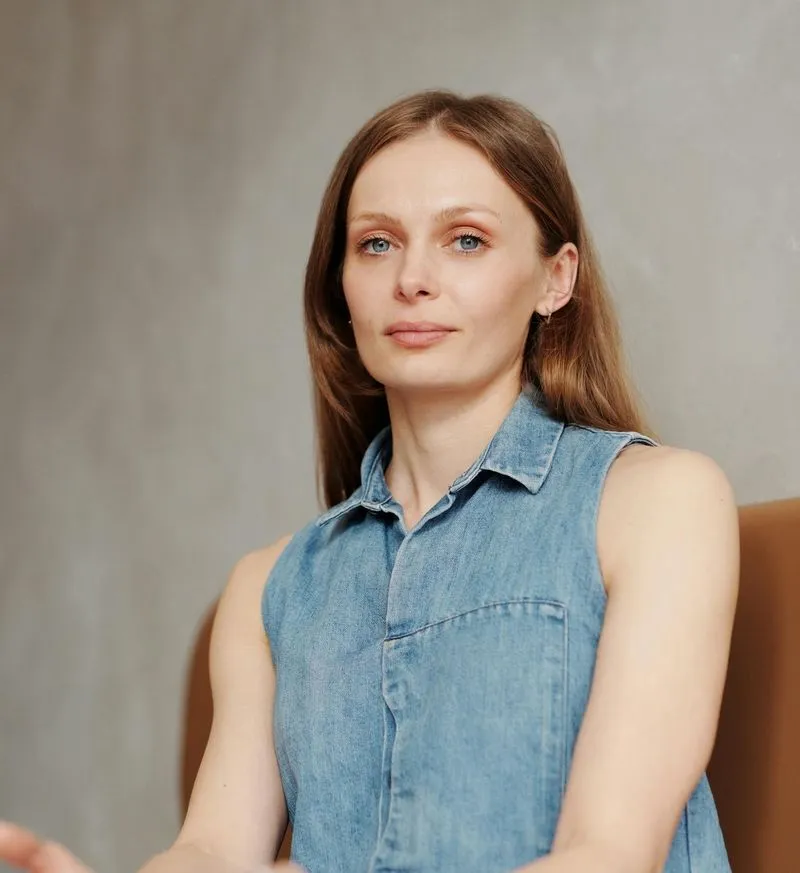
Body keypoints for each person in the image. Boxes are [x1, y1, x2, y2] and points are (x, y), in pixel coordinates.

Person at [0, 89, 739, 873]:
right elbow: (214, 849)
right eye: (377, 244)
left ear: (555, 280)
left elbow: (609, 856)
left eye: (465, 240)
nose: (412, 278)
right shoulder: (267, 588)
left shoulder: (660, 502)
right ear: (340, 288)